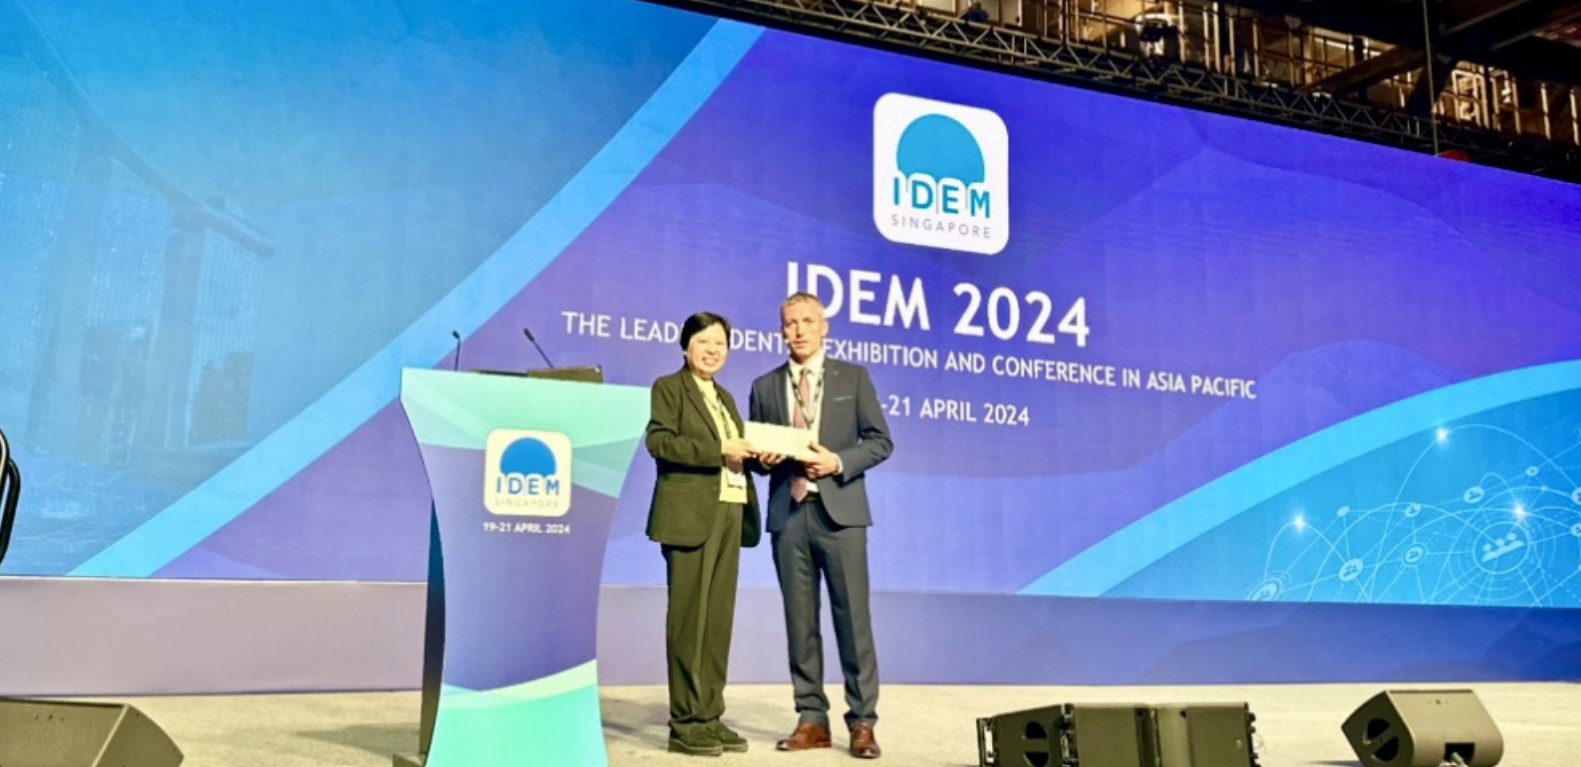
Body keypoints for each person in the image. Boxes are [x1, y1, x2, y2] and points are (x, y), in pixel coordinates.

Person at [750, 292, 894, 760]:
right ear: (781, 330)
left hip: (841, 516)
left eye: (807, 321)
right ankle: (811, 719)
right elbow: (756, 454)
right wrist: (762, 459)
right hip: (789, 515)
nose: (798, 330)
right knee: (800, 623)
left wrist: (838, 461)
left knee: (853, 620)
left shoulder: (854, 378)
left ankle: (863, 721)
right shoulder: (764, 386)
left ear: (823, 326)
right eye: (790, 323)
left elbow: (880, 442)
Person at [644, 311, 761, 757]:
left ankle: (710, 714)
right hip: (689, 517)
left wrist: (758, 456)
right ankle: (685, 723)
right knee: (688, 623)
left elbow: (735, 453)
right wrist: (719, 449)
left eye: (720, 344)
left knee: (717, 623)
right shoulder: (669, 388)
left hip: (730, 511)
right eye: (704, 342)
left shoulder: (725, 397)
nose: (713, 350)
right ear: (685, 347)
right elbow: (660, 443)